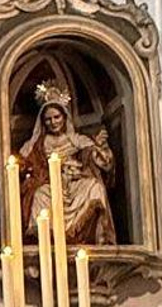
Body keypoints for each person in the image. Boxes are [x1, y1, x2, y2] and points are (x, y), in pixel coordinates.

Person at [19, 82, 117, 246]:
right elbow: (26, 167)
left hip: (74, 183)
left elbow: (100, 161)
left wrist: (98, 148)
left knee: (95, 187)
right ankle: (44, 241)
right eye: (48, 119)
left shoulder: (78, 140)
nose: (53, 122)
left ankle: (98, 238)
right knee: (39, 195)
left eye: (57, 117)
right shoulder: (36, 146)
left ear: (64, 118)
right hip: (49, 184)